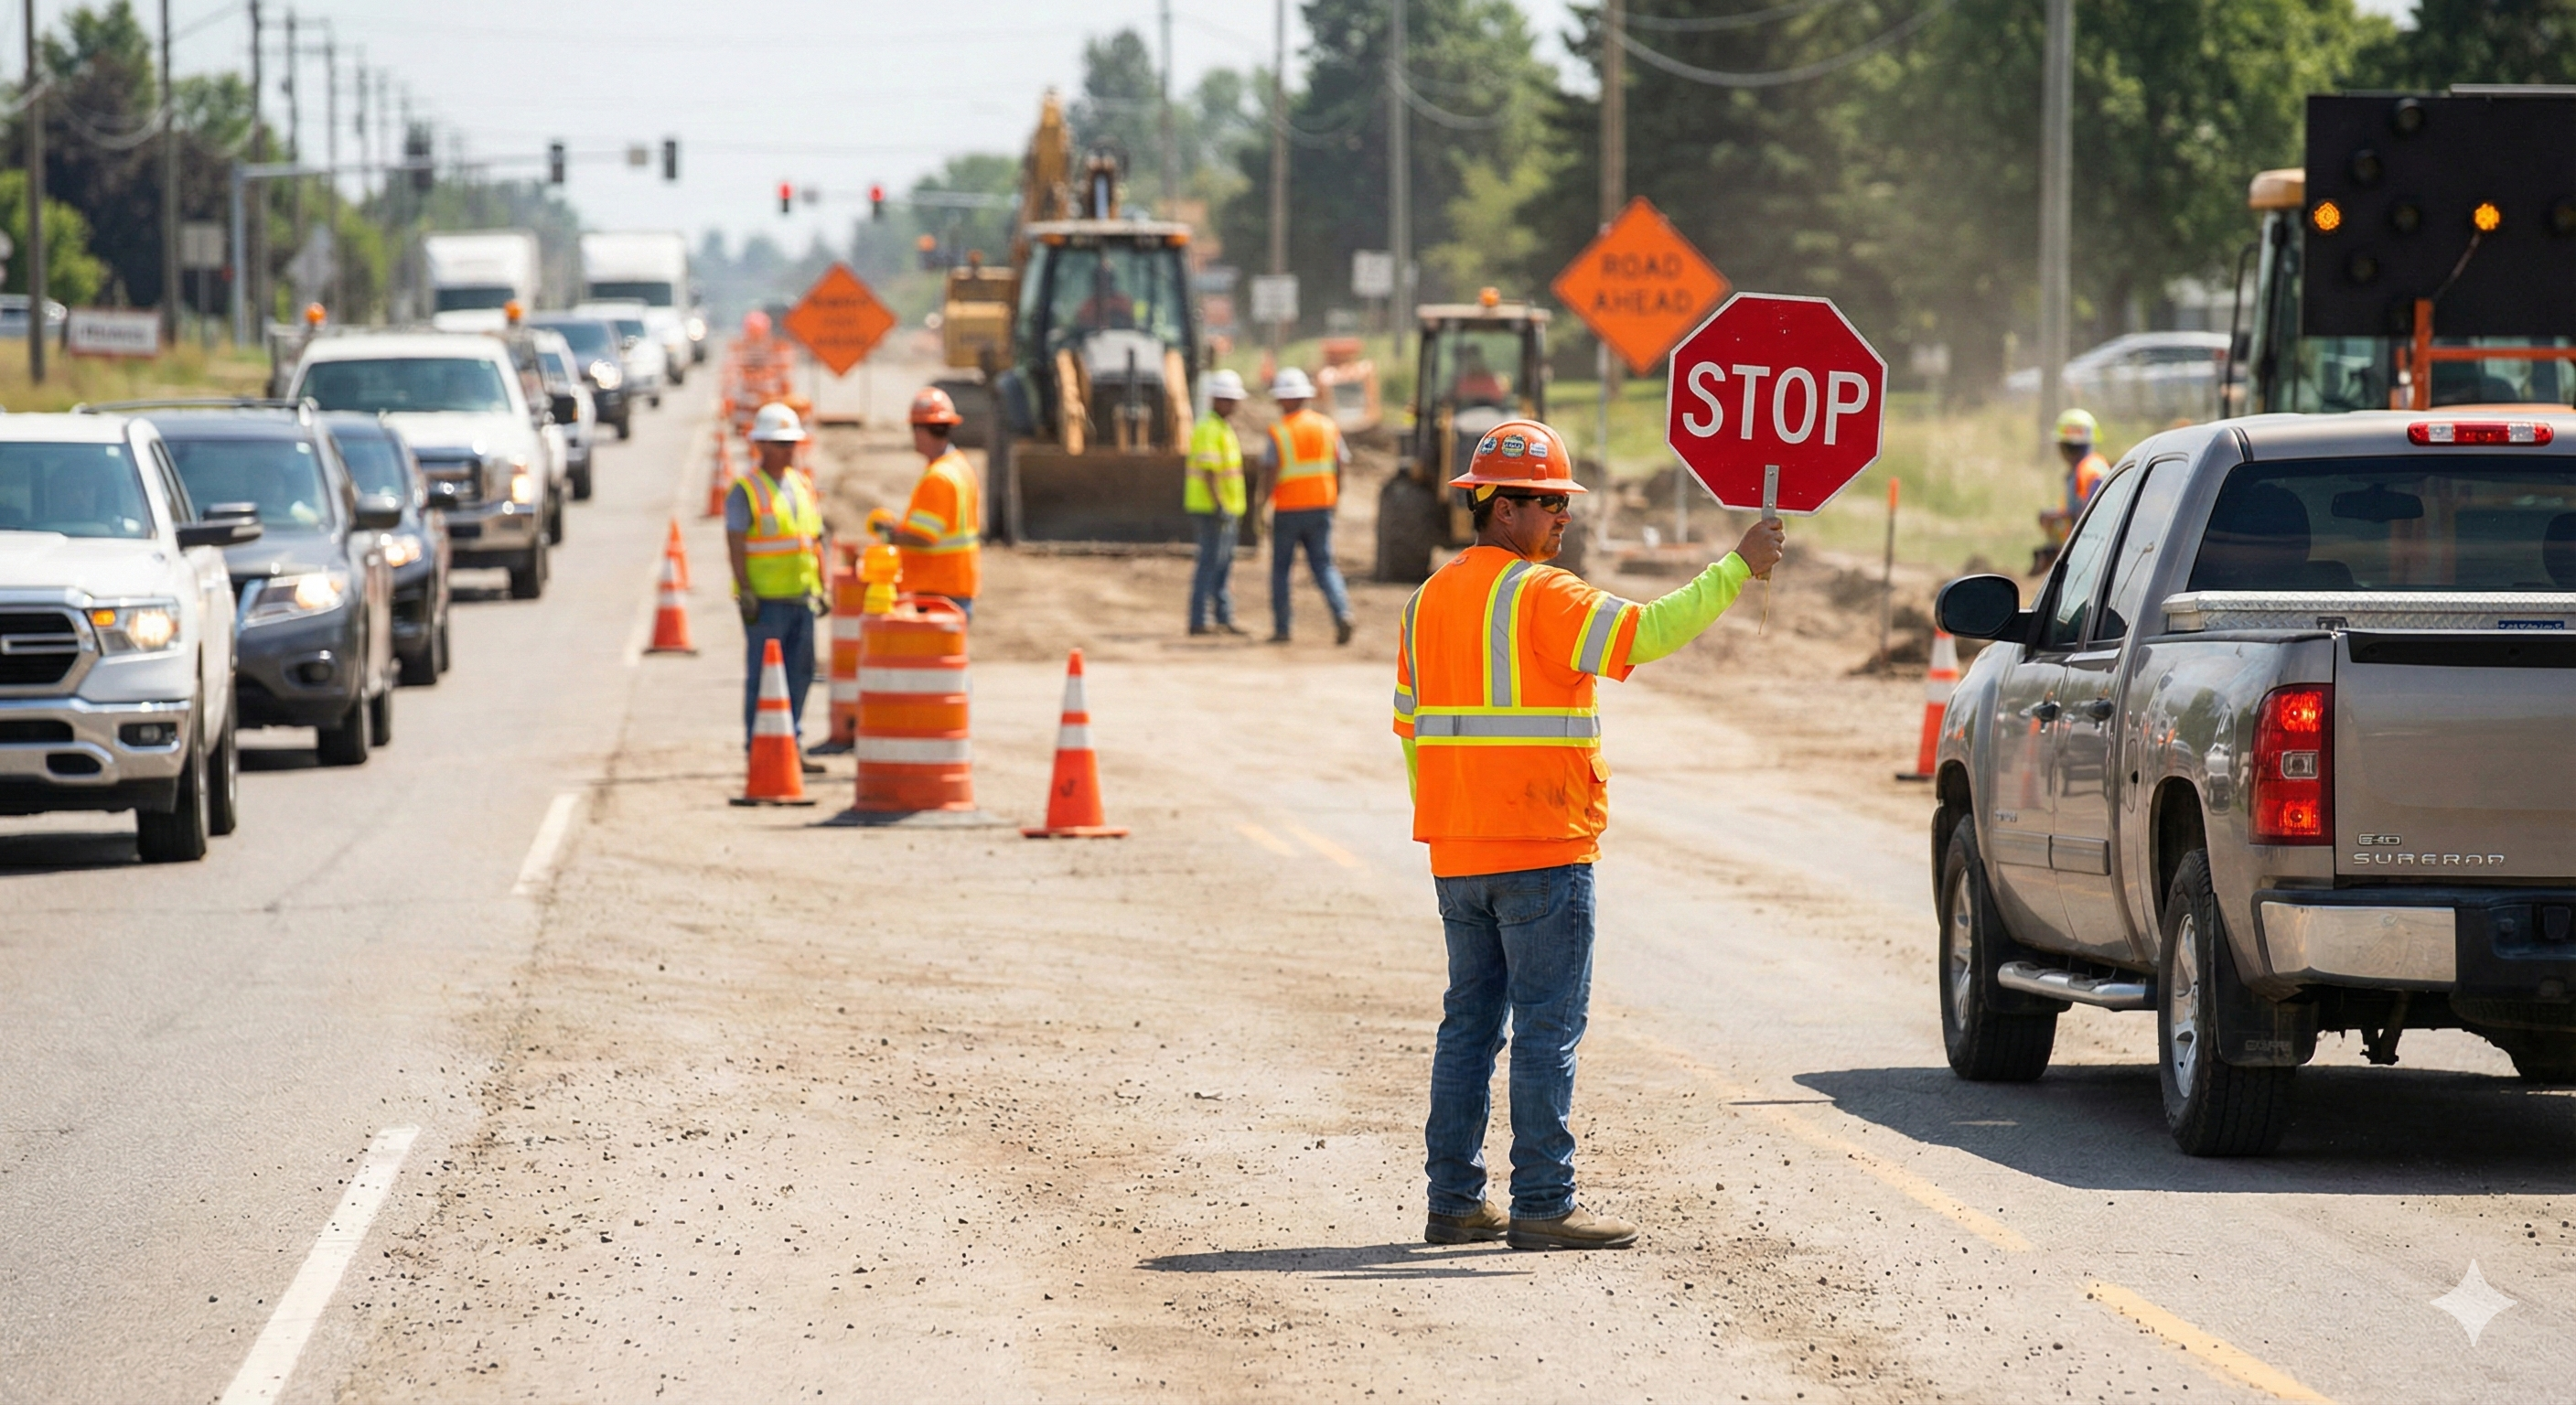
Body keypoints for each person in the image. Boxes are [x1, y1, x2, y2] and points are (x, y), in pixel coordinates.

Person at [1393, 419, 1784, 1252]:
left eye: (1564, 502)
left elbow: (1409, 732)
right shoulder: (1545, 594)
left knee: (1468, 1028)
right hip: (1543, 849)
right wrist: (1736, 568)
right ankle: (1542, 1202)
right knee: (1544, 1028)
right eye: (1548, 502)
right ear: (1500, 508)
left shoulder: (1425, 601)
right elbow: (1645, 633)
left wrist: (1453, 828)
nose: (1563, 517)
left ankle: (1454, 1202)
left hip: (1459, 854)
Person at [724, 401, 827, 772]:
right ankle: (759, 750)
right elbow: (736, 540)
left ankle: (790, 745)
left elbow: (814, 538)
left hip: (801, 597)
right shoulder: (746, 489)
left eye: (792, 443)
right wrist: (745, 589)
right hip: (765, 603)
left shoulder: (801, 485)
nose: (789, 450)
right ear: (762, 445)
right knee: (764, 677)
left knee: (800, 674)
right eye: (782, 444)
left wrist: (823, 585)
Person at [1261, 367, 1355, 645]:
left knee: (1281, 570)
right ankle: (1342, 612)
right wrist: (1336, 496)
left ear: (1283, 399)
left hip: (1288, 508)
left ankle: (1282, 629)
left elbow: (1269, 470)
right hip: (1321, 506)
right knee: (1324, 566)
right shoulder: (1327, 426)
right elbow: (1341, 464)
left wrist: (1263, 505)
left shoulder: (1279, 431)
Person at [883, 386, 982, 619]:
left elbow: (924, 537)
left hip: (938, 590)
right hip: (955, 586)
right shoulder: (960, 466)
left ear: (919, 430)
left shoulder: (938, 477)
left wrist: (891, 535)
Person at [1186, 370, 1250, 636]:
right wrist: (1220, 504)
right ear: (1218, 400)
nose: (1235, 405)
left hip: (1225, 508)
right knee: (1210, 564)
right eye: (1230, 400)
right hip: (1212, 508)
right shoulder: (1209, 428)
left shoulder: (1222, 428)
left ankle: (1223, 616)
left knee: (1223, 565)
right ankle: (1199, 620)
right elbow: (1210, 471)